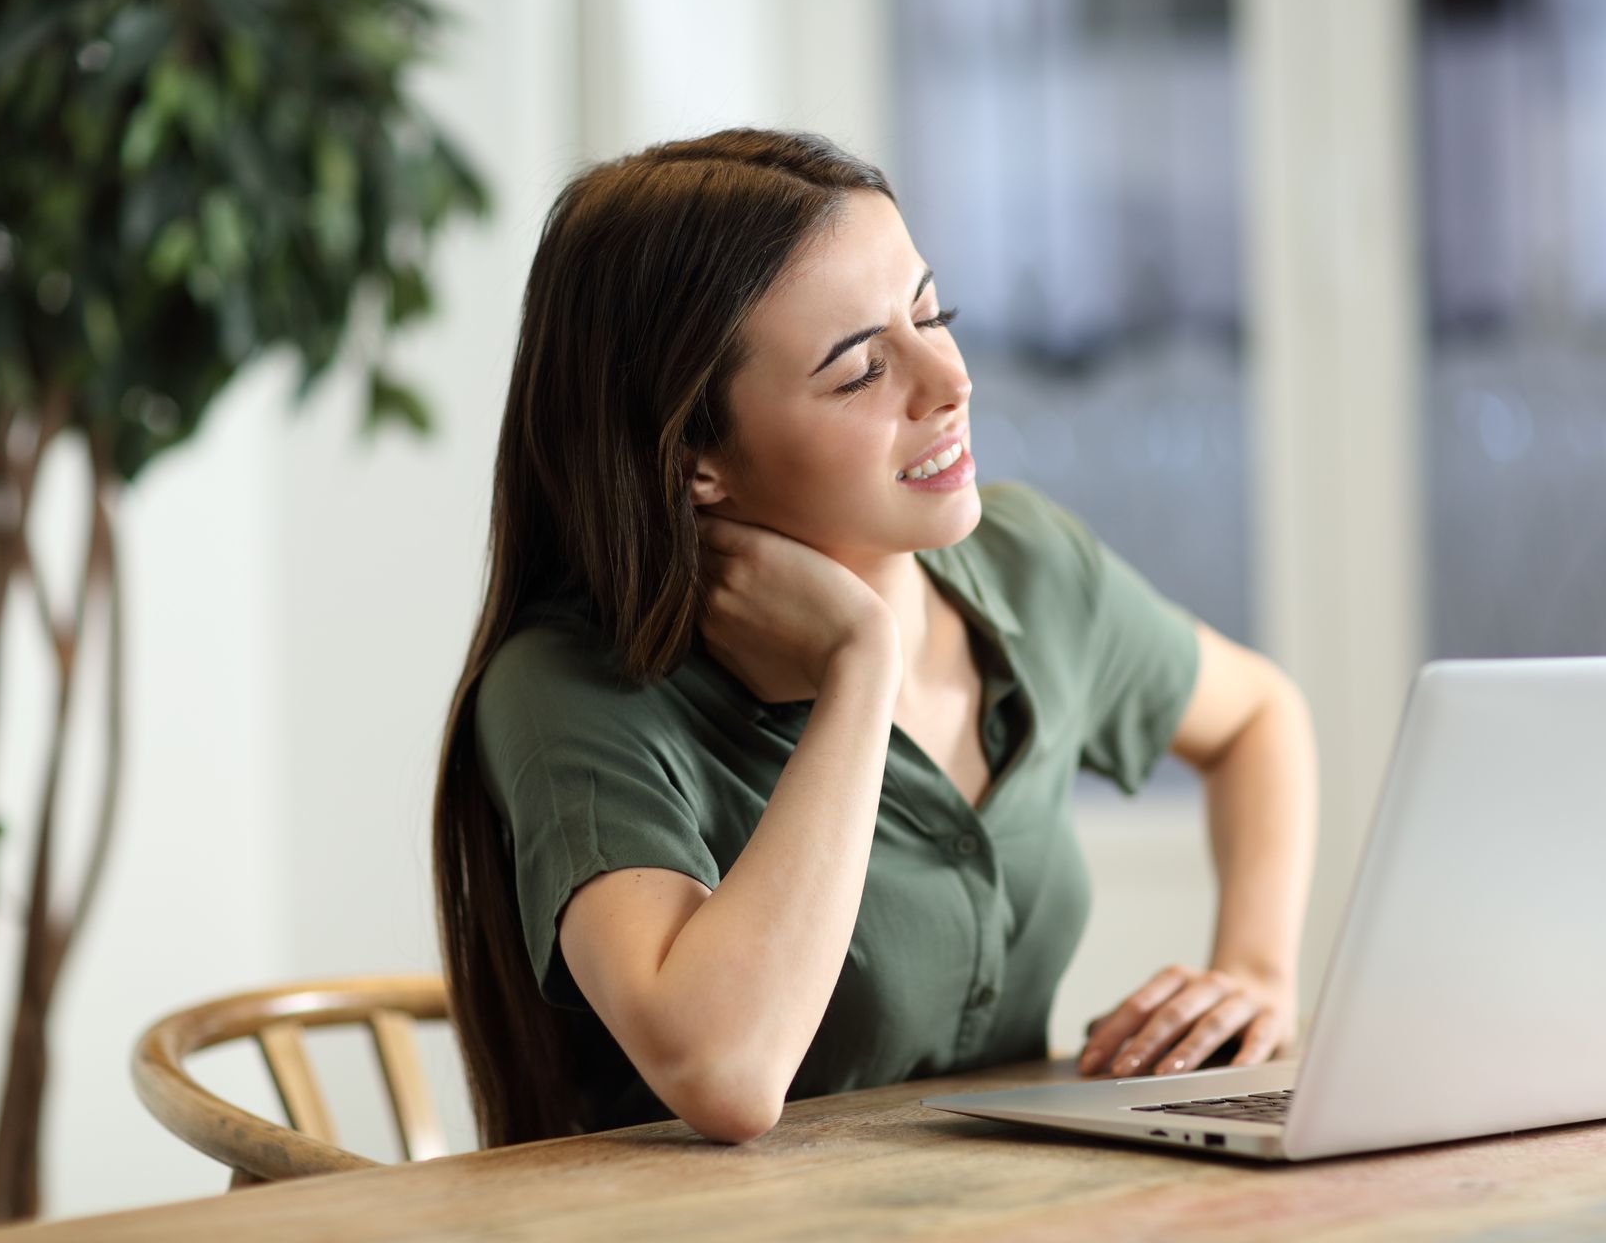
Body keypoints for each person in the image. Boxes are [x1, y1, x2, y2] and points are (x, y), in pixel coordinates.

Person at [432, 127, 1320, 1149]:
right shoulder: (571, 688)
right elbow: (724, 1070)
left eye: (933, 313)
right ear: (695, 461)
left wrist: (1257, 967)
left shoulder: (1032, 566)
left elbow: (1259, 715)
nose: (948, 378)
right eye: (861, 369)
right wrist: (860, 668)